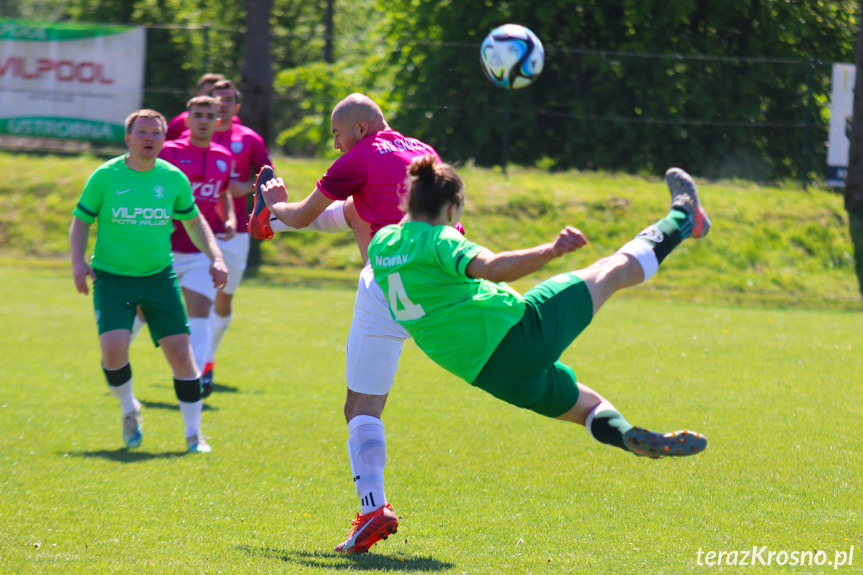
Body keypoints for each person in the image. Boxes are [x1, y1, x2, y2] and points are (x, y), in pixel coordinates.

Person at [368, 156, 710, 464]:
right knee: (611, 270)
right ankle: (684, 215)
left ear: (408, 201)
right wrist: (551, 250)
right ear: (450, 209)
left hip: (493, 377)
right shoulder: (439, 239)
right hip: (520, 334)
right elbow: (493, 267)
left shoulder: (381, 244)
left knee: (589, 407)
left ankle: (626, 436)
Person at [250, 93, 440, 554]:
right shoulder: (424, 152)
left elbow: (304, 212)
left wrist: (276, 206)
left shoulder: (359, 156)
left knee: (361, 408)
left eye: (336, 134)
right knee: (361, 210)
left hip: (390, 290)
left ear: (358, 129)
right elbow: (354, 214)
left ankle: (373, 508)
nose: (335, 145)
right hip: (445, 283)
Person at [70, 109, 228, 454]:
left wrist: (216, 256)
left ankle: (193, 436)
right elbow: (81, 220)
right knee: (112, 351)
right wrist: (78, 262)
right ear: (128, 138)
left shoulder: (172, 178)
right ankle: (130, 410)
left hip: (159, 278)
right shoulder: (105, 176)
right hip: (112, 279)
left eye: (156, 133)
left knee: (182, 356)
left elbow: (194, 220)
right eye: (142, 132)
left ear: (163, 138)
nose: (149, 139)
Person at [157, 96, 236, 398]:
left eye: (209, 115)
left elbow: (223, 192)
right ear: (187, 120)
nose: (203, 120)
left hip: (199, 251)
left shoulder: (223, 156)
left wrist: (227, 218)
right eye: (197, 115)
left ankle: (199, 377)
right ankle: (115, 363)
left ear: (218, 122)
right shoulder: (168, 152)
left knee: (201, 308)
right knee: (139, 311)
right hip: (161, 247)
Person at [202, 79, 272, 388]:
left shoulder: (249, 139)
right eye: (217, 99)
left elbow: (269, 176)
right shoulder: (193, 137)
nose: (223, 103)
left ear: (237, 106)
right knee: (194, 296)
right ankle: (198, 363)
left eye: (228, 99)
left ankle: (208, 359)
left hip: (235, 233)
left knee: (223, 300)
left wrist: (247, 186)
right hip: (196, 229)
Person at [165, 73, 240, 141]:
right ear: (199, 96)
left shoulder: (234, 121)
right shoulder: (181, 122)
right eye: (209, 94)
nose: (216, 100)